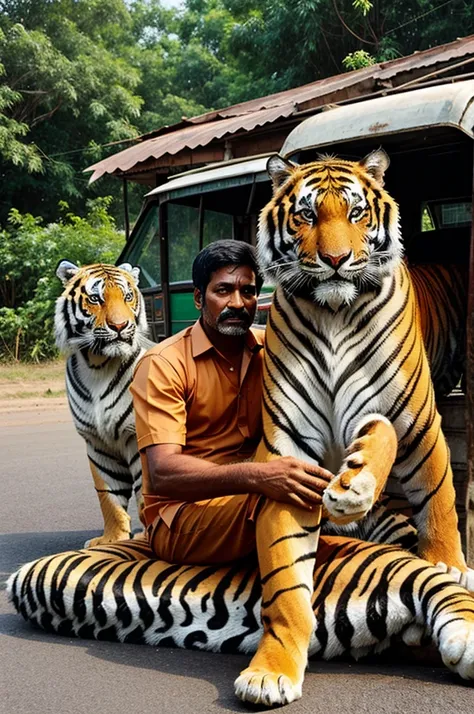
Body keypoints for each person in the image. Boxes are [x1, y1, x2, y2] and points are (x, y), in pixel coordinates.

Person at [130, 239, 333, 705]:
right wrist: (258, 477)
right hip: (181, 517)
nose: (238, 302)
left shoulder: (269, 351)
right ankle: (280, 642)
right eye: (224, 291)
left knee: (329, 513)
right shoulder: (163, 364)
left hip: (252, 500)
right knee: (284, 496)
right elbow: (161, 473)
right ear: (198, 298)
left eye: (248, 291)